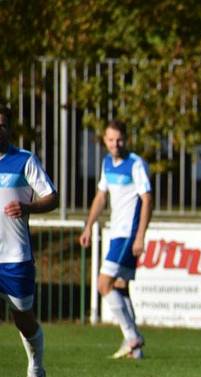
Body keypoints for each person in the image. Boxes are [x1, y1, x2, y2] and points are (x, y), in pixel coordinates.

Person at [79, 120, 152, 359]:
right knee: (121, 286)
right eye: (110, 139)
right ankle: (135, 350)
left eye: (119, 139)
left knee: (103, 285)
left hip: (128, 234)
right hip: (115, 233)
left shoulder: (135, 164)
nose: (115, 144)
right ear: (104, 140)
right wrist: (89, 225)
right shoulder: (107, 163)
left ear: (126, 139)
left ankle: (132, 337)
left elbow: (147, 199)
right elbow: (101, 196)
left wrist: (140, 235)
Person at [0, 105, 59, 377]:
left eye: (1, 124)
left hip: (15, 257)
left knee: (23, 319)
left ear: (8, 128)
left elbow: (51, 197)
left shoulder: (24, 160)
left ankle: (36, 371)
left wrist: (28, 208)